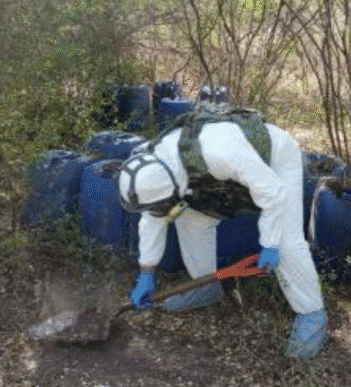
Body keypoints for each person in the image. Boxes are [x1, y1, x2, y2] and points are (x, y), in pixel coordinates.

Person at [116, 107, 327, 359]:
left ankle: (312, 313)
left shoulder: (220, 151)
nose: (160, 211)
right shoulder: (155, 168)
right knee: (189, 219)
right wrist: (146, 272)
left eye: (163, 205)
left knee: (285, 239)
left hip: (275, 159)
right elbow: (153, 218)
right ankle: (205, 285)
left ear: (173, 187)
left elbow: (274, 193)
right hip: (219, 175)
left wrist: (270, 244)